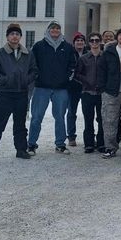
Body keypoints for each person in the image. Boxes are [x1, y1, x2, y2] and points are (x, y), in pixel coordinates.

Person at [0, 23, 37, 163]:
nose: (15, 37)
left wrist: (26, 80)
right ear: (7, 37)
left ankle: (21, 149)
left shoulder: (27, 54)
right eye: (12, 34)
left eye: (17, 34)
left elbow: (34, 71)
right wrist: (4, 80)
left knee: (20, 123)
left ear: (20, 37)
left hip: (21, 93)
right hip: (4, 93)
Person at [28, 21, 76, 154]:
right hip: (42, 87)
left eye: (57, 28)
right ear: (48, 30)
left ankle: (60, 144)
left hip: (61, 88)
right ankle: (31, 144)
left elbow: (72, 65)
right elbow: (32, 64)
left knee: (60, 116)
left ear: (60, 31)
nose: (55, 30)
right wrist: (37, 76)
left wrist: (67, 77)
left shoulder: (67, 47)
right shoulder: (39, 46)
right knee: (37, 116)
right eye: (53, 28)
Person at [98, 27, 121, 159]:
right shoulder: (109, 52)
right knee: (109, 121)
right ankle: (110, 147)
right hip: (110, 92)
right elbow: (101, 71)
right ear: (117, 37)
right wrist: (102, 87)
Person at [74, 32, 104, 153]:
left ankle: (101, 143)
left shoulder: (105, 57)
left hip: (102, 93)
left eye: (97, 40)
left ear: (100, 42)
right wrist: (86, 81)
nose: (95, 42)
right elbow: (77, 74)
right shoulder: (83, 58)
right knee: (88, 119)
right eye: (92, 40)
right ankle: (89, 143)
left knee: (102, 120)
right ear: (89, 43)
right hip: (87, 92)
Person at [65, 32, 86, 146]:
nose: (80, 42)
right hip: (72, 87)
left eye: (82, 41)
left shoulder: (88, 52)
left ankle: (89, 136)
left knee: (88, 113)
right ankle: (71, 136)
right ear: (74, 43)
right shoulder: (70, 53)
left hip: (86, 86)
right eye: (77, 41)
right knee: (71, 112)